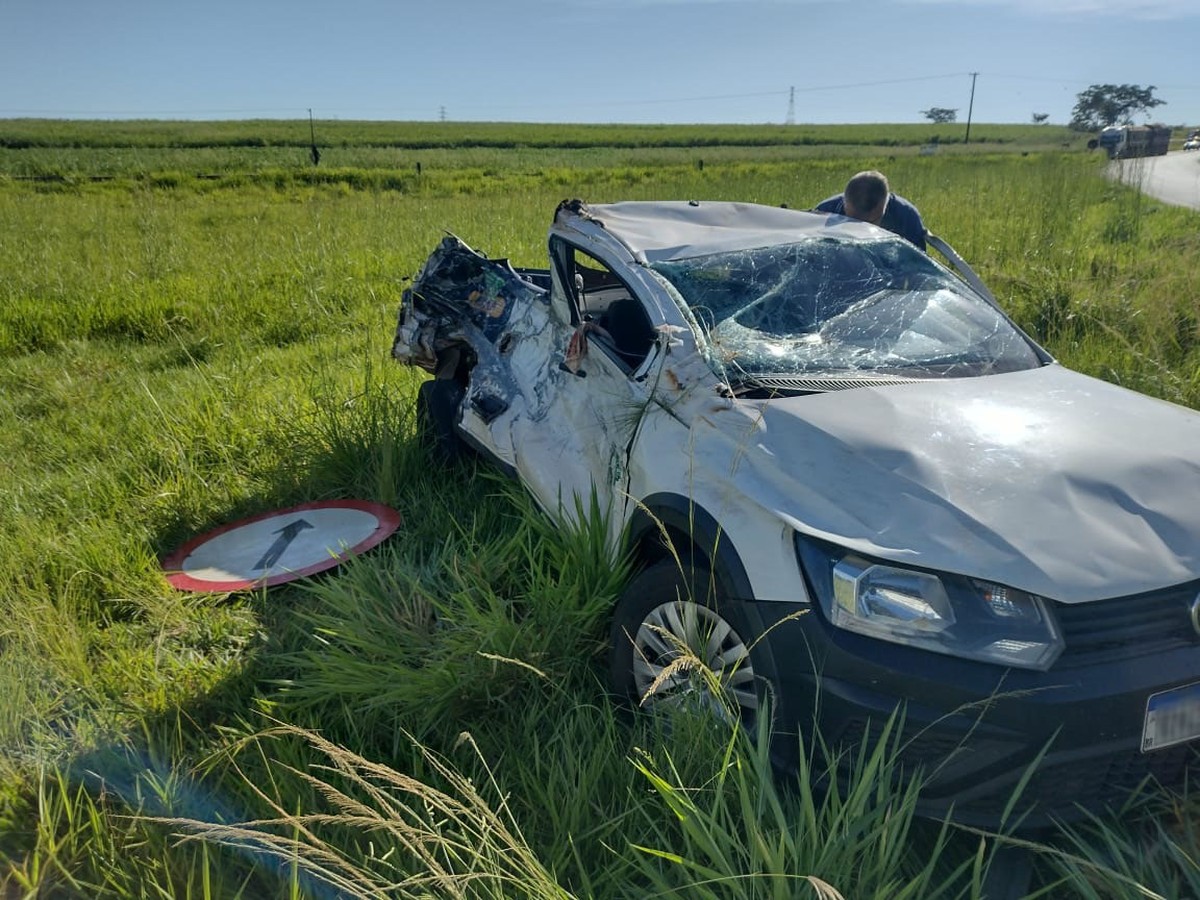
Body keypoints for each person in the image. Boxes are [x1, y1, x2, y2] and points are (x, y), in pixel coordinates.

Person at [815, 170, 927, 251]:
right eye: (851, 221)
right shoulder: (824, 213)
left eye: (870, 224)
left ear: (885, 205)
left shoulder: (907, 217)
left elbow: (917, 269)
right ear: (844, 201)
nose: (860, 231)